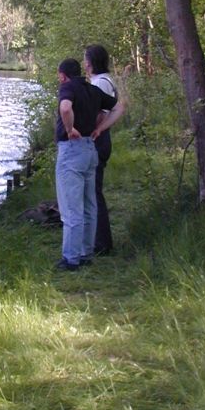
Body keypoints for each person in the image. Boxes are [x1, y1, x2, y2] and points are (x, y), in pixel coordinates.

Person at [54, 58, 125, 271]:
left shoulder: (67, 88)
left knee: (71, 207)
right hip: (90, 149)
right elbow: (120, 107)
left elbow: (65, 108)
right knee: (89, 205)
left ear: (63, 75)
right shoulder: (92, 90)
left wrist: (69, 129)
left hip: (71, 150)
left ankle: (71, 259)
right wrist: (101, 128)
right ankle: (86, 253)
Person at [84, 44, 119, 256]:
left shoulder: (102, 84)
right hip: (98, 139)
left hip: (99, 140)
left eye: (85, 59)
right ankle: (96, 239)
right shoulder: (98, 82)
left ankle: (102, 243)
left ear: (92, 61)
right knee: (91, 190)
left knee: (94, 191)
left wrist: (89, 126)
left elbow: (101, 114)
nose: (84, 63)